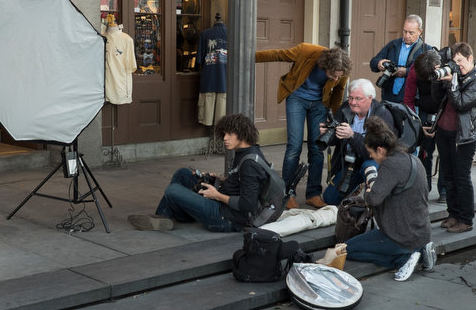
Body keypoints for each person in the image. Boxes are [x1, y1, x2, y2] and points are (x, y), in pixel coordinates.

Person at [318, 117, 435, 282]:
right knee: (362, 244)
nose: (372, 156)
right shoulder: (412, 158)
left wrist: (369, 181)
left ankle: (405, 259)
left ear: (380, 150)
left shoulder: (391, 165)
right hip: (420, 231)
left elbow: (372, 199)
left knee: (348, 250)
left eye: (371, 153)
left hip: (400, 236)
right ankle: (418, 251)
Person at [128, 113, 269, 232]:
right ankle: (163, 217)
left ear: (242, 134)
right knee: (182, 173)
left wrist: (217, 195)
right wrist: (221, 179)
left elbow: (248, 204)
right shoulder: (244, 152)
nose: (225, 138)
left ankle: (173, 215)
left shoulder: (250, 164)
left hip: (226, 218)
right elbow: (241, 181)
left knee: (173, 190)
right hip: (224, 203)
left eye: (230, 134)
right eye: (224, 133)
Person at [255, 44, 351, 209]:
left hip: (320, 103)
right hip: (297, 98)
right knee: (294, 145)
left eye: (338, 76)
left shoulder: (341, 72)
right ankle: (287, 194)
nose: (336, 79)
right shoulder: (307, 51)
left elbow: (338, 92)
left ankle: (313, 194)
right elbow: (278, 53)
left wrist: (335, 119)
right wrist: (247, 56)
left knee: (317, 147)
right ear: (326, 66)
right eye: (333, 75)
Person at [431, 42, 476, 234]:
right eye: (454, 62)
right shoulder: (455, 76)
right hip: (444, 130)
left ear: (470, 58)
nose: (457, 65)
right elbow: (435, 98)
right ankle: (453, 214)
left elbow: (461, 103)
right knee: (448, 175)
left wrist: (452, 83)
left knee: (461, 177)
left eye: (460, 61)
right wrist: (438, 79)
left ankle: (466, 219)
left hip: (465, 135)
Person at [320, 78, 394, 206]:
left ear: (370, 98)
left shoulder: (383, 114)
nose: (353, 102)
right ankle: (355, 187)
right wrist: (328, 132)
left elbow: (376, 152)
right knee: (330, 199)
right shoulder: (345, 109)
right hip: (350, 162)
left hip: (373, 161)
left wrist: (352, 136)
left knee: (369, 168)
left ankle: (373, 201)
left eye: (358, 99)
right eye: (350, 98)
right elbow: (335, 140)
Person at [403, 48, 449, 201]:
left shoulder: (447, 68)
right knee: (425, 152)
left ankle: (444, 190)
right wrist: (417, 123)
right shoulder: (415, 70)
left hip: (445, 110)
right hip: (424, 112)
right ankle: (424, 187)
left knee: (445, 151)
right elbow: (408, 100)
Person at [369, 15, 426, 104]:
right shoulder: (393, 45)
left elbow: (427, 74)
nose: (407, 35)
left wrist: (407, 72)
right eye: (405, 31)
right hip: (388, 97)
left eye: (411, 33)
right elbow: (373, 63)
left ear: (420, 31)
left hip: (411, 101)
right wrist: (379, 63)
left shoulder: (426, 50)